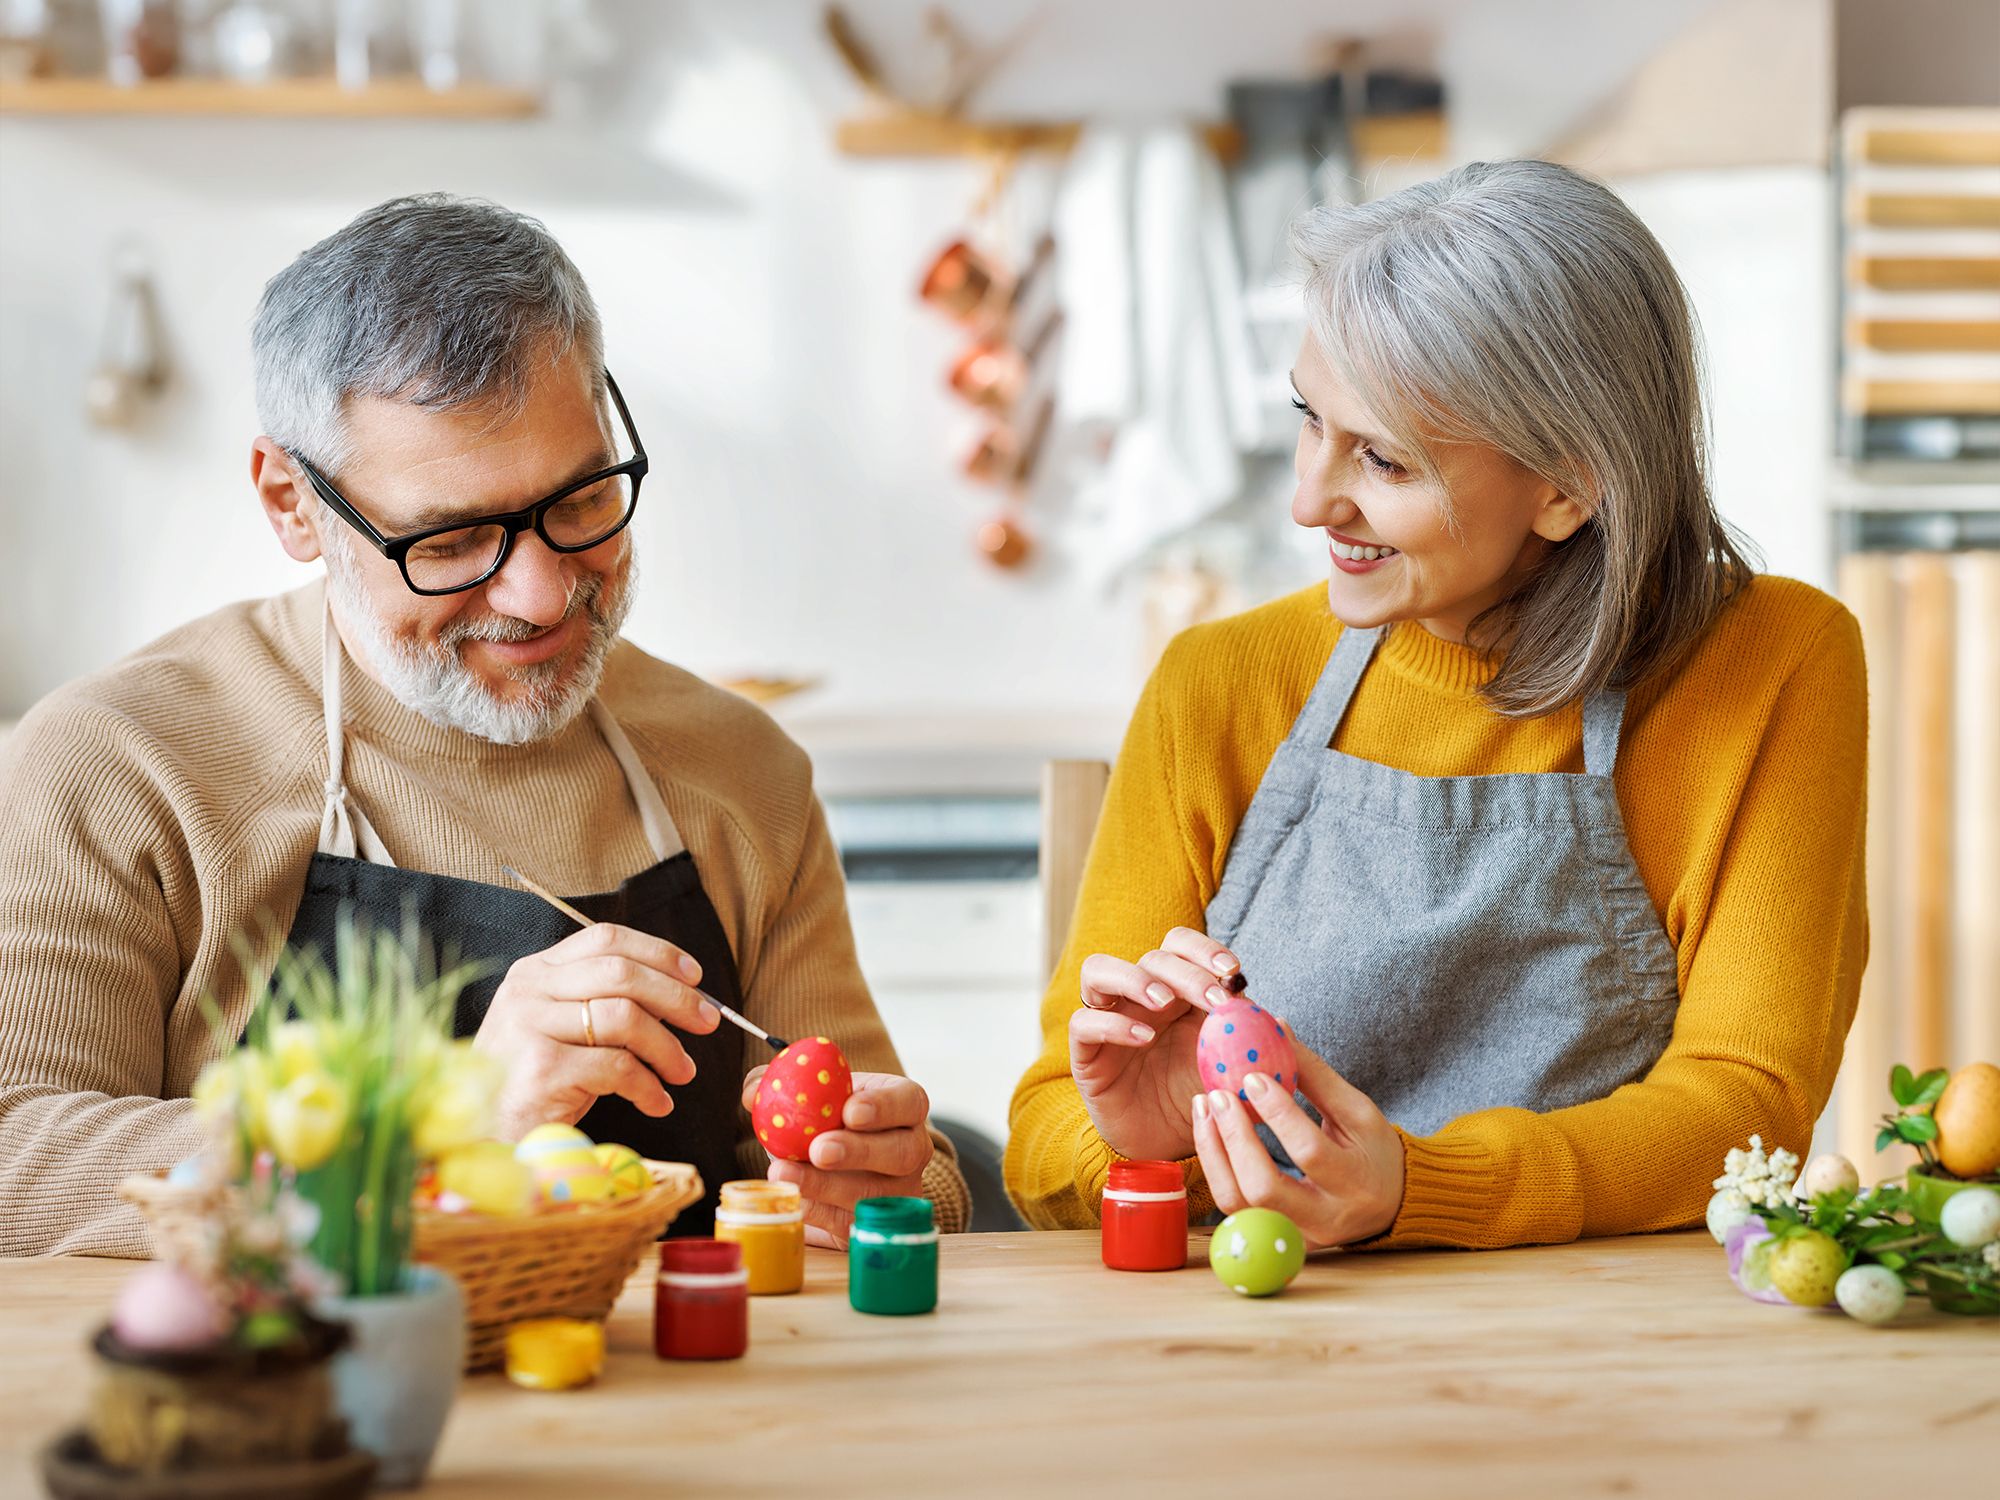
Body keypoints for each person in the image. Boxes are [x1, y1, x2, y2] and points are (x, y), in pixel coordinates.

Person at [0, 194, 966, 1256]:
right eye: (454, 540)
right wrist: (433, 1119)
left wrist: (885, 1181)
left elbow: (898, 1169)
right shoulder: (116, 761)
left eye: (582, 499)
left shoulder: (740, 769)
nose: (543, 595)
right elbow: (18, 1160)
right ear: (292, 504)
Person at [1006, 159, 1866, 1250]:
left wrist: (1415, 1188)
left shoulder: (1771, 662)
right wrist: (1162, 1151)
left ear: (1565, 483)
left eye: (1381, 458)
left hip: (1614, 1361)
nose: (1308, 499)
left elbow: (1746, 1107)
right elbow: (1041, 1134)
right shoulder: (1217, 683)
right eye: (1306, 421)